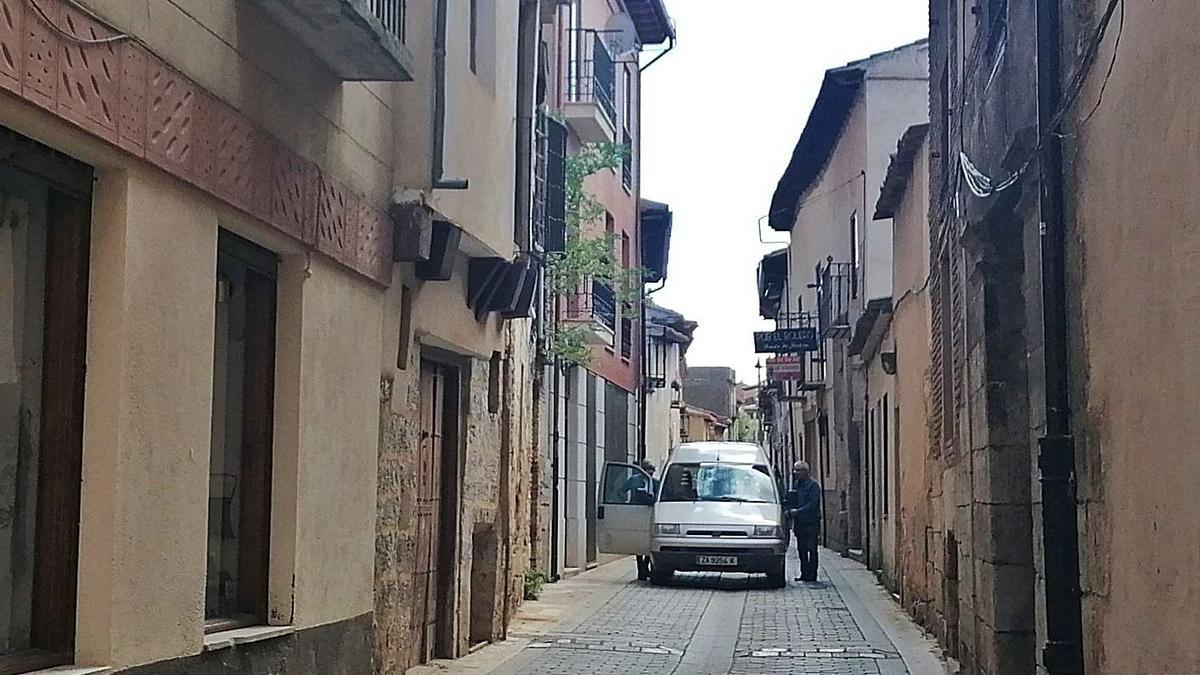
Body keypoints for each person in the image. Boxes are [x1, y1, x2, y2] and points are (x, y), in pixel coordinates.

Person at [621, 459, 658, 581]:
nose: (651, 473)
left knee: (648, 542)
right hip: (636, 514)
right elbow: (621, 491)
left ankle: (645, 567)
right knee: (638, 542)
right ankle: (640, 568)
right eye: (648, 470)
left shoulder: (655, 483)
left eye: (652, 471)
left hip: (649, 514)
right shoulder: (634, 480)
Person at [787, 461, 822, 582]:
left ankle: (812, 574)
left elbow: (813, 504)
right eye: (795, 470)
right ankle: (804, 573)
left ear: (805, 471)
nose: (795, 473)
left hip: (811, 522)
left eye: (798, 470)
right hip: (800, 523)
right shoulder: (797, 484)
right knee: (801, 549)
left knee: (811, 548)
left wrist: (798, 511)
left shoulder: (813, 485)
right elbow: (794, 499)